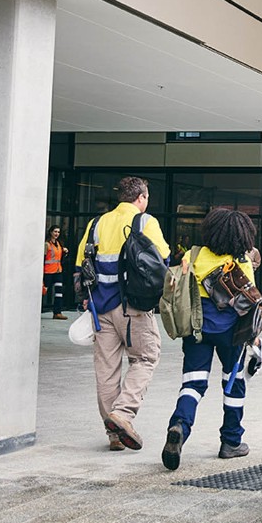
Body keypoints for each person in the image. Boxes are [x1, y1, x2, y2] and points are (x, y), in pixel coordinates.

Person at [73, 176, 169, 452]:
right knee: (146, 357)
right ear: (140, 198)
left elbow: (81, 265)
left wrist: (85, 300)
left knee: (106, 370)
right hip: (133, 309)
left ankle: (113, 433)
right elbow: (163, 256)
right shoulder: (145, 222)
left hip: (99, 309)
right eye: (146, 197)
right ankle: (123, 415)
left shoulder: (96, 224)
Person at [162, 208, 258, 470]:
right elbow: (249, 304)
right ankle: (231, 441)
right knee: (233, 383)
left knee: (193, 384)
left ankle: (180, 425)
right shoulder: (242, 263)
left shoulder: (193, 256)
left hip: (197, 331)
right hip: (231, 335)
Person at [43, 225, 66, 320]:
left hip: (58, 270)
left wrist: (65, 252)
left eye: (58, 232)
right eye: (55, 231)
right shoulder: (47, 244)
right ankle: (34, 309)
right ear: (51, 232)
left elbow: (58, 257)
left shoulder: (59, 244)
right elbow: (43, 257)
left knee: (59, 292)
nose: (57, 234)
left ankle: (57, 312)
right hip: (48, 271)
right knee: (43, 291)